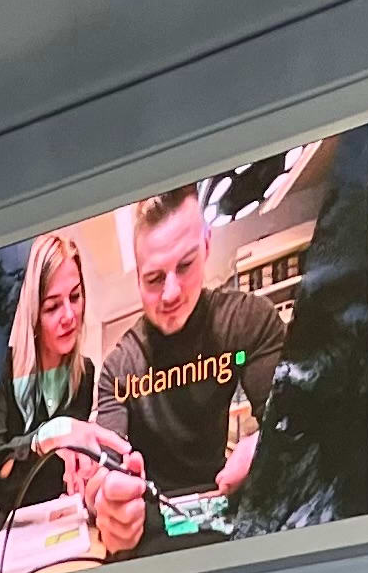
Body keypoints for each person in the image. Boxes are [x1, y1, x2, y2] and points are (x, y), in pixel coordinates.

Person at [0, 226, 151, 573]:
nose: (69, 316)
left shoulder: (85, 373)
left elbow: (70, 471)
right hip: (10, 539)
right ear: (33, 312)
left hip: (61, 533)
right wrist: (46, 437)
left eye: (75, 297)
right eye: (52, 306)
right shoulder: (0, 369)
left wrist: (87, 472)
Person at [99, 177, 289, 509]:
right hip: (147, 507)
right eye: (154, 278)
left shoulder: (248, 320)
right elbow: (106, 466)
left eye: (185, 266)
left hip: (220, 495)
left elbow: (293, 418)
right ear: (138, 277)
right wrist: (105, 492)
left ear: (206, 245)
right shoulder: (118, 367)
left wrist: (263, 444)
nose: (171, 294)